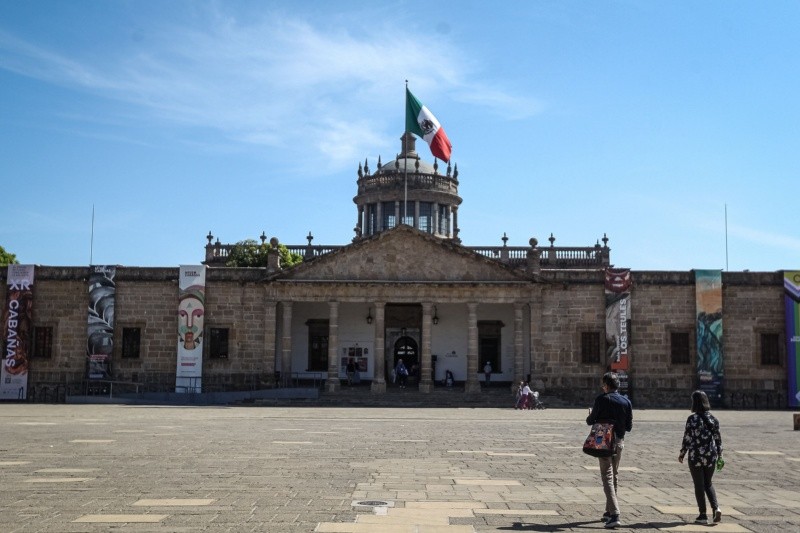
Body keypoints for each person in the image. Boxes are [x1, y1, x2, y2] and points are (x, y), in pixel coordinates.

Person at [586, 372, 633, 529]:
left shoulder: (601, 399)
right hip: (619, 442)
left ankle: (615, 514)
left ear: (606, 385)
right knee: (614, 474)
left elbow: (590, 421)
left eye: (603, 385)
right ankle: (608, 512)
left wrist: (591, 414)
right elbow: (629, 427)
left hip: (604, 441)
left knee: (607, 476)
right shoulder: (626, 401)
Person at [679, 390, 723, 525]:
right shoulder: (713, 419)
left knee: (699, 485)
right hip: (711, 456)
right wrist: (720, 454)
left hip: (696, 456)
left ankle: (703, 515)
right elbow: (718, 439)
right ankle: (716, 508)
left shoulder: (692, 419)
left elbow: (687, 438)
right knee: (708, 483)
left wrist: (682, 452)